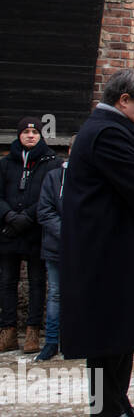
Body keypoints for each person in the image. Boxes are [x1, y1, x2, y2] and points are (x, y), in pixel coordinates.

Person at [60, 70, 134, 417]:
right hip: (107, 251)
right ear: (124, 99)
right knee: (106, 334)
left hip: (117, 248)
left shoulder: (112, 130)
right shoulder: (108, 133)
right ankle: (105, 413)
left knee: (121, 330)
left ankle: (118, 403)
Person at [0, 118, 60, 353]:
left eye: (35, 132)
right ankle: (8, 330)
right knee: (7, 281)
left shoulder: (50, 163)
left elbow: (49, 196)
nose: (30, 135)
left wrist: (28, 216)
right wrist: (9, 216)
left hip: (35, 231)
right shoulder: (6, 164)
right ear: (19, 135)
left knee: (37, 282)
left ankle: (33, 330)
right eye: (25, 132)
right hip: (8, 231)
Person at [34, 139, 70, 362]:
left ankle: (73, 340)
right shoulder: (54, 177)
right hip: (57, 247)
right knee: (56, 294)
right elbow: (45, 211)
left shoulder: (94, 178)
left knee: (82, 296)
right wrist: (69, 234)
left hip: (86, 250)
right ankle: (51, 341)